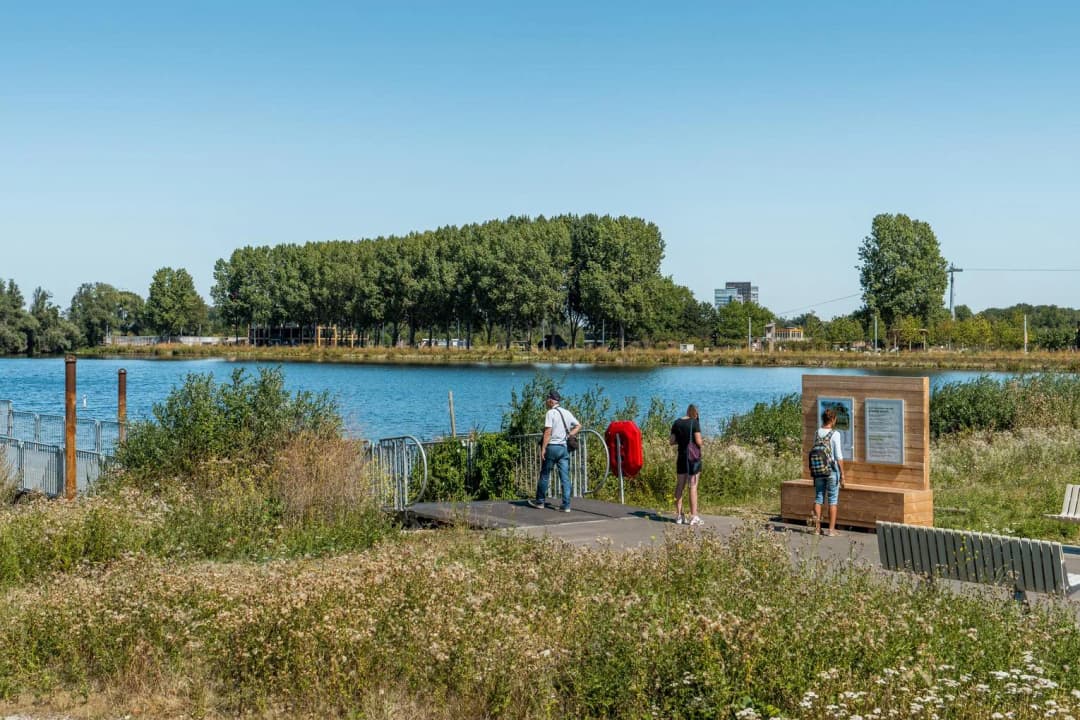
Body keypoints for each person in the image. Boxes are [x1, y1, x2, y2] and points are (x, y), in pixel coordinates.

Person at [528, 389, 581, 512]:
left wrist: (543, 449)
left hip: (552, 447)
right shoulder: (567, 412)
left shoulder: (550, 413)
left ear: (551, 401)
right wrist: (569, 435)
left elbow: (547, 432)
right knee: (565, 477)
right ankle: (566, 505)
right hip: (563, 448)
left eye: (547, 399)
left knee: (545, 475)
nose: (546, 401)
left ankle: (540, 501)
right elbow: (578, 425)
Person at [812, 407, 845, 536]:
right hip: (831, 470)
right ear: (833, 419)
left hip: (818, 470)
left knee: (818, 498)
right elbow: (839, 456)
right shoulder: (835, 434)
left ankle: (817, 528)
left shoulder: (817, 432)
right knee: (832, 499)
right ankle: (831, 530)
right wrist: (842, 474)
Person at [669, 404, 703, 526]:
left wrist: (682, 440)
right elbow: (698, 441)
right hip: (693, 459)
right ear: (695, 413)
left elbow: (672, 441)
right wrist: (701, 442)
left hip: (681, 457)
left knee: (680, 486)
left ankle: (679, 516)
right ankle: (693, 516)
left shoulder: (676, 423)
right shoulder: (695, 423)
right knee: (692, 486)